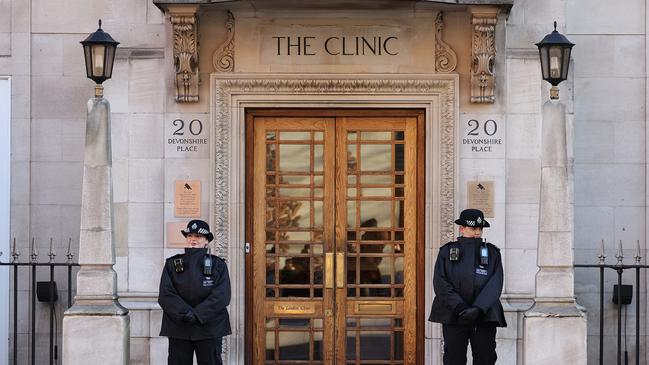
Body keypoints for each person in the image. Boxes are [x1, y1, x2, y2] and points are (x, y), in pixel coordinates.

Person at [428, 209, 506, 365]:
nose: (477, 232)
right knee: (453, 359)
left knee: (486, 358)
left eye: (479, 229)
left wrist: (478, 308)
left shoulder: (492, 252)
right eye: (473, 228)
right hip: (454, 315)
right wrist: (460, 307)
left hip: (484, 316)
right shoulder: (447, 251)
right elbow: (440, 283)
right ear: (462, 228)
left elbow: (495, 283)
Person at [158, 219, 231, 365]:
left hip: (209, 327)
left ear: (206, 241)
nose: (193, 239)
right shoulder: (172, 264)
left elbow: (222, 296)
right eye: (190, 235)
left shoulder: (218, 265)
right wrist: (185, 313)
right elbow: (166, 294)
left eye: (198, 236)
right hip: (179, 327)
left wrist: (197, 314)